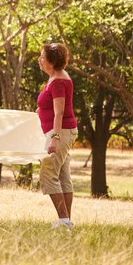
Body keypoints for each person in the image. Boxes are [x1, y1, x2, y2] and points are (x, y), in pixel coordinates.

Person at [36, 43, 78, 230]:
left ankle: (63, 220)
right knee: (62, 175)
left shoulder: (59, 81)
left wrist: (55, 138)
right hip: (63, 132)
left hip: (61, 133)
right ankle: (66, 221)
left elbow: (59, 112)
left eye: (43, 57)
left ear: (52, 62)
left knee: (48, 173)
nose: (40, 60)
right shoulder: (55, 78)